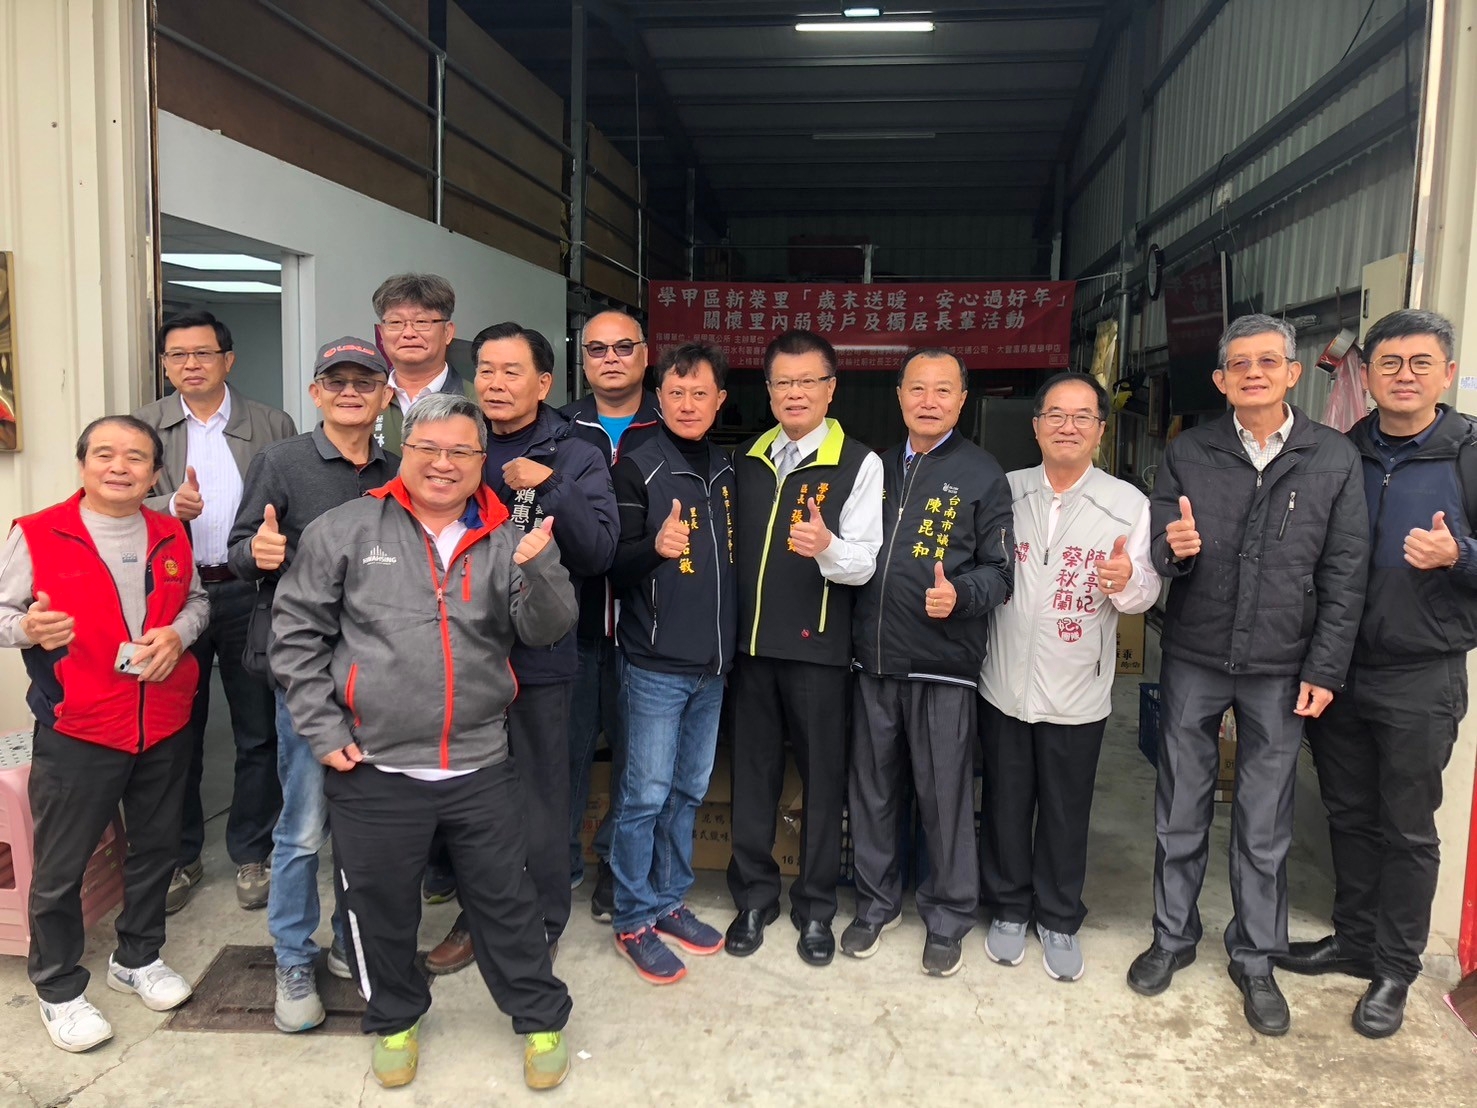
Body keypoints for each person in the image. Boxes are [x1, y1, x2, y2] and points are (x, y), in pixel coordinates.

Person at [270, 392, 577, 1090]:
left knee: (507, 903)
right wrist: (322, 728)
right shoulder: (347, 529)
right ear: (402, 451)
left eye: (460, 451)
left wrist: (541, 566)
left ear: (481, 461)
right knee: (379, 906)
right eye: (428, 448)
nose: (443, 463)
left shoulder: (506, 538)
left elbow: (546, 629)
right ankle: (395, 1017)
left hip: (479, 762)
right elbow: (295, 636)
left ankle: (539, 1018)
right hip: (373, 764)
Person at [1129, 314, 1368, 1037]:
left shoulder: (1331, 456)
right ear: (1220, 379)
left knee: (1263, 823)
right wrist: (1173, 550)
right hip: (1197, 654)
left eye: (1269, 361)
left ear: (1292, 373)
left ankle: (1255, 956)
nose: (1254, 373)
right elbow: (1160, 551)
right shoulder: (1190, 450)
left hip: (1281, 664)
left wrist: (1325, 666)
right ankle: (1172, 936)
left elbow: (1345, 572)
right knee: (1180, 807)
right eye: (1240, 364)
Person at [1279, 309, 1477, 1038]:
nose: (1403, 376)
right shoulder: (1341, 451)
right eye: (1388, 363)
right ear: (1366, 376)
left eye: (1419, 363)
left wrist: (1460, 556)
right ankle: (1354, 940)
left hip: (1421, 672)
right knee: (1349, 813)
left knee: (1407, 826)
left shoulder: (1467, 454)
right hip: (1338, 667)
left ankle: (1396, 967)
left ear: (1446, 373)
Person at [0, 416, 209, 1052]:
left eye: (137, 458)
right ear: (83, 463)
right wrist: (28, 630)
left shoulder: (170, 531)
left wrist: (179, 634)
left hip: (163, 720)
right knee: (61, 866)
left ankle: (138, 957)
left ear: (155, 473)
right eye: (106, 455)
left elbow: (197, 602)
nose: (120, 467)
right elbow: (3, 614)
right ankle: (59, 988)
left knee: (157, 847)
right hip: (79, 726)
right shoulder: (38, 532)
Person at [426, 322, 617, 975]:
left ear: (543, 382)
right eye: (486, 370)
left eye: (512, 371)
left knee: (539, 795)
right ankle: (476, 914)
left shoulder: (577, 451)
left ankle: (541, 920)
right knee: (473, 796)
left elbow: (598, 551)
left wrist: (549, 484)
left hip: (539, 653)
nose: (496, 383)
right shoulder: (454, 443)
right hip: (459, 653)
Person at [224, 336, 399, 1032]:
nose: (351, 392)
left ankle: (349, 942)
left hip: (381, 674)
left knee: (366, 828)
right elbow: (239, 550)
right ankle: (293, 956)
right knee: (301, 828)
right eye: (337, 381)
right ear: (316, 392)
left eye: (365, 381)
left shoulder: (398, 469)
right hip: (306, 672)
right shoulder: (283, 461)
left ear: (386, 395)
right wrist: (257, 552)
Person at [978, 372, 1158, 982]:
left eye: (1083, 417)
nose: (1068, 427)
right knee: (1005, 803)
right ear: (1036, 426)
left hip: (1078, 688)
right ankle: (1008, 909)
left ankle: (1058, 916)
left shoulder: (1127, 503)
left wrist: (1126, 582)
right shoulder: (1005, 490)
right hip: (1003, 682)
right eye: (1055, 414)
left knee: (1064, 809)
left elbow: (1144, 592)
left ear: (1100, 430)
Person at [845, 348, 1013, 977]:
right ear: (899, 396)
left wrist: (960, 596)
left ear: (962, 400)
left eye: (943, 390)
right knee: (873, 791)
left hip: (942, 665)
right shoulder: (876, 467)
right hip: (874, 661)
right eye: (917, 388)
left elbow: (1001, 572)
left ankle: (947, 916)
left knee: (944, 797)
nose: (929, 401)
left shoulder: (982, 473)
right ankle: (876, 903)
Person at [726, 329, 883, 966]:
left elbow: (866, 563)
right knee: (752, 778)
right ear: (768, 391)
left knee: (822, 781)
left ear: (830, 389)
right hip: (751, 649)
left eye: (808, 381)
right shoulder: (747, 459)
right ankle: (753, 897)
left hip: (818, 651)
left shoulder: (858, 463)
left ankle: (815, 907)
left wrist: (828, 549)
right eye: (783, 383)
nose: (795, 393)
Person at [134, 311, 296, 914]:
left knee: (258, 729)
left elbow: (290, 500)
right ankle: (180, 856)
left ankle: (252, 850)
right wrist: (166, 505)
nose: (190, 365)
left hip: (248, 592)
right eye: (177, 356)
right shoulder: (145, 425)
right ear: (165, 365)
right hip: (173, 596)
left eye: (203, 353)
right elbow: (113, 497)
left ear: (228, 360)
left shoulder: (271, 423)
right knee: (177, 730)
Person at [606, 341, 737, 984]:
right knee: (644, 796)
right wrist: (655, 548)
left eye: (699, 393)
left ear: (720, 400)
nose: (688, 404)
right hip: (655, 665)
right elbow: (611, 563)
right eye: (676, 393)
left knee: (687, 792)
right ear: (659, 398)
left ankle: (668, 901)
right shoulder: (637, 466)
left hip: (713, 667)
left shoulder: (730, 470)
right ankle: (632, 917)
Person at [560, 309, 661, 922]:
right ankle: (561, 864)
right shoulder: (558, 428)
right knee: (564, 755)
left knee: (637, 762)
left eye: (624, 347)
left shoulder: (670, 423)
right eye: (597, 349)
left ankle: (614, 867)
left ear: (646, 355)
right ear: (584, 360)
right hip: (567, 627)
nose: (611, 359)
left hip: (645, 631)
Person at [370, 272, 477, 455]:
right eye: (395, 322)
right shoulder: (365, 399)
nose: (408, 333)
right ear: (381, 333)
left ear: (447, 332)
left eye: (421, 322)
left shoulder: (478, 401)